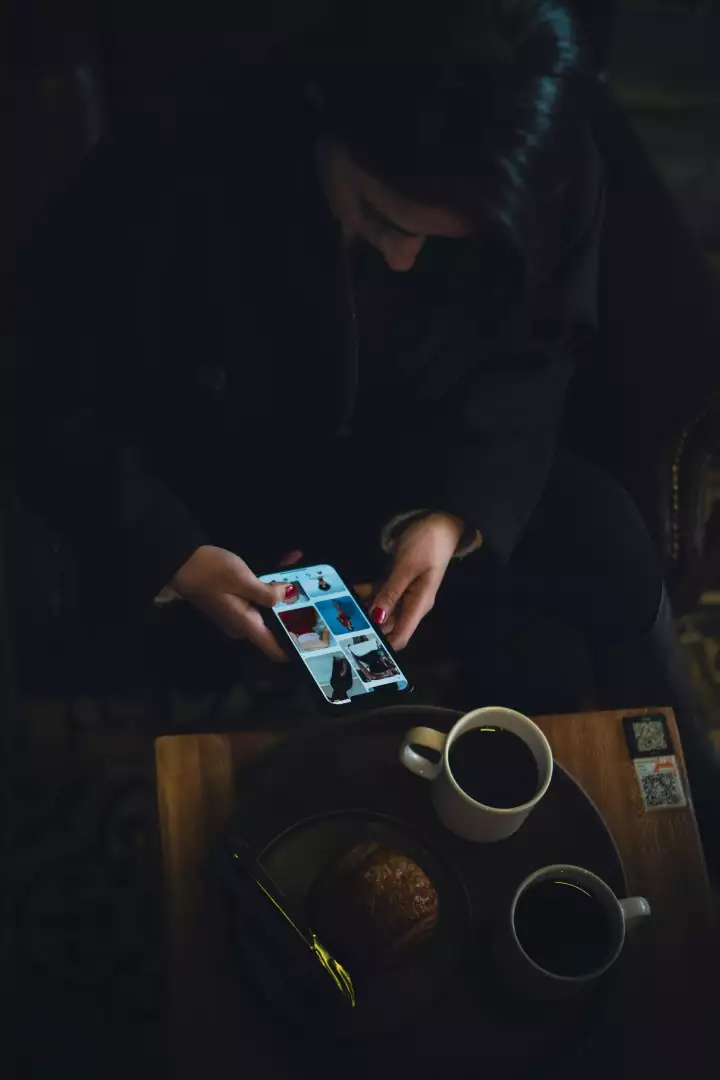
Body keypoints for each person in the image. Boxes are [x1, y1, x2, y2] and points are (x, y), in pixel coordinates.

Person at [9, 0, 710, 761]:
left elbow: (541, 350)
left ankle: (671, 782)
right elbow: (44, 388)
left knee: (605, 547)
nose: (403, 260)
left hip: (420, 461)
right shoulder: (175, 158)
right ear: (326, 116)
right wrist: (172, 549)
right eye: (378, 219)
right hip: (214, 482)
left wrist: (454, 515)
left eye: (444, 241)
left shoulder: (548, 163)